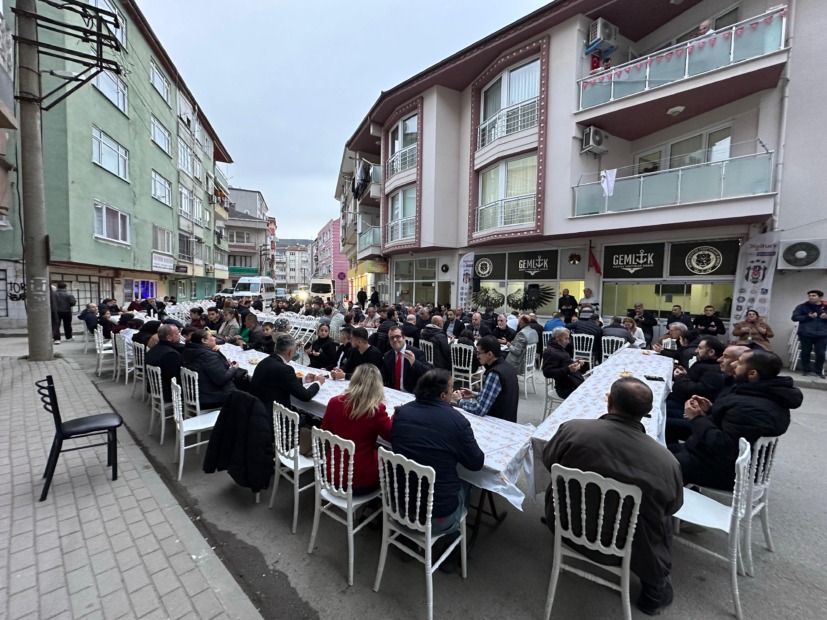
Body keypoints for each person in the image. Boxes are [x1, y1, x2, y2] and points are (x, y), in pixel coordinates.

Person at [543, 378, 684, 616]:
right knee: (660, 518)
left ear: (609, 402)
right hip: (629, 544)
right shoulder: (665, 462)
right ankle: (653, 591)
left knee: (562, 480)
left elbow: (549, 461)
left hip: (565, 524)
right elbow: (673, 506)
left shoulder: (573, 430)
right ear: (648, 412)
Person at [669, 350, 802, 490]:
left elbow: (725, 447)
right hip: (706, 453)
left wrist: (696, 418)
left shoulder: (752, 408)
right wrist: (709, 410)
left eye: (739, 363)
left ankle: (669, 497)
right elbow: (733, 423)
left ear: (752, 373)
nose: (733, 364)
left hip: (724, 470)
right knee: (658, 450)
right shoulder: (759, 391)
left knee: (655, 465)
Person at [392, 369, 484, 538]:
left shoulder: (401, 413)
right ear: (443, 396)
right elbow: (476, 463)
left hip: (399, 506)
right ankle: (451, 541)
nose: (453, 392)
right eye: (451, 389)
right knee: (467, 481)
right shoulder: (457, 421)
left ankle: (413, 540)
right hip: (436, 517)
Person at [322, 365, 392, 495]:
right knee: (389, 460)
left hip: (332, 472)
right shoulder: (375, 409)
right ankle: (381, 502)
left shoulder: (334, 402)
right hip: (360, 480)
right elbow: (391, 436)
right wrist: (395, 417)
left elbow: (325, 432)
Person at [249, 334, 325, 412]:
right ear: (290, 352)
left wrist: (304, 380)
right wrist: (318, 383)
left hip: (256, 407)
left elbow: (284, 381)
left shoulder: (265, 361)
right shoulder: (285, 369)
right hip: (273, 414)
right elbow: (305, 396)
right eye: (295, 351)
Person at [453, 335, 519, 422]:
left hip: (497, 422)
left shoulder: (495, 373)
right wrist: (475, 394)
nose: (477, 356)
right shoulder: (507, 367)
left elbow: (480, 410)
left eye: (479, 353)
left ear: (489, 354)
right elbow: (499, 397)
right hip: (508, 419)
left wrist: (459, 400)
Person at [665, 336, 726, 424]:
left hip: (686, 405)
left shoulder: (713, 370)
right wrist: (685, 374)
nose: (696, 351)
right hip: (681, 399)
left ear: (711, 352)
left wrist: (681, 377)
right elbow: (695, 381)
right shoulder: (705, 364)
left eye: (700, 348)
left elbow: (699, 390)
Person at [182, 329, 243, 409]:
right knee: (243, 390)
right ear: (204, 340)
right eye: (211, 336)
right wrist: (234, 368)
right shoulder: (208, 356)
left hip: (195, 394)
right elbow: (222, 379)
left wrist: (223, 361)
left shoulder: (189, 350)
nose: (214, 338)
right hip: (210, 397)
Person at [381, 326, 433, 393]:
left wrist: (414, 362)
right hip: (393, 392)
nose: (395, 340)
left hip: (411, 392)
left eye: (398, 336)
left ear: (404, 337)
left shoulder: (416, 353)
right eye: (391, 338)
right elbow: (384, 376)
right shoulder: (388, 355)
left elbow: (428, 373)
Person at [791, 289, 827, 378]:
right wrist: (808, 316)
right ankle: (806, 370)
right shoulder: (802, 306)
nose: (811, 297)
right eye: (809, 296)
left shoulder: (826, 307)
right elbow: (794, 317)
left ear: (820, 297)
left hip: (822, 334)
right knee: (805, 352)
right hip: (806, 333)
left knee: (821, 353)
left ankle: (818, 371)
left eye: (813, 296)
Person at [145, 323, 184, 402]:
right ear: (169, 337)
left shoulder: (154, 349)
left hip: (155, 387)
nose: (179, 336)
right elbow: (175, 377)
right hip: (167, 391)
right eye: (177, 334)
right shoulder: (171, 354)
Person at [542, 327, 585, 399]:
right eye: (566, 338)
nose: (568, 341)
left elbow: (563, 363)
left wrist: (575, 363)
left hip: (572, 383)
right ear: (558, 338)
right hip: (565, 389)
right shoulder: (551, 352)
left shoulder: (558, 348)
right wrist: (568, 369)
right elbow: (547, 372)